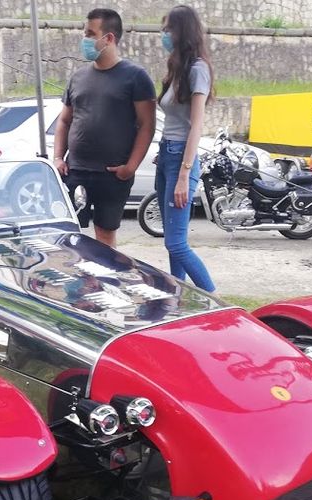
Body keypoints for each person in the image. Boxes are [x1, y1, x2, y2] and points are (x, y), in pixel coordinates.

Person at [53, 8, 157, 249]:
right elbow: (64, 121)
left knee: (105, 234)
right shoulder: (78, 77)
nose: (85, 39)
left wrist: (130, 167)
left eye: (90, 34)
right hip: (75, 170)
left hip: (112, 174)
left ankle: (107, 274)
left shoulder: (135, 77)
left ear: (108, 38)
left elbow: (147, 125)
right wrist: (58, 157)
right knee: (68, 235)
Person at [155, 5, 216, 292]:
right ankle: (177, 295)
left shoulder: (198, 69)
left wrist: (183, 174)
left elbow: (196, 125)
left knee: (176, 243)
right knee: (172, 242)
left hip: (182, 159)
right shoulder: (176, 69)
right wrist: (163, 155)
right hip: (166, 155)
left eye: (168, 29)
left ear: (183, 31)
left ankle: (218, 302)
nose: (164, 35)